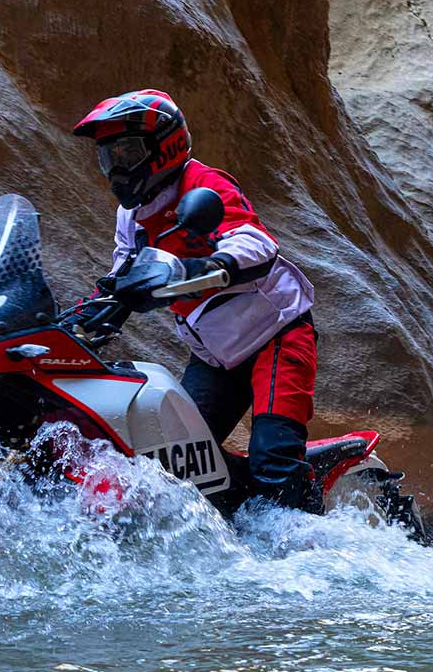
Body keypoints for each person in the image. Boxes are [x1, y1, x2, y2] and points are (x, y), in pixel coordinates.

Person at [72, 89, 323, 511]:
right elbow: (122, 273)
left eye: (128, 152)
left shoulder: (204, 185)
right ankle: (237, 517)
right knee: (175, 458)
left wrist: (203, 267)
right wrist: (80, 318)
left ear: (164, 147)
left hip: (275, 337)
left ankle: (310, 534)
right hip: (215, 357)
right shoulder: (131, 215)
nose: (117, 168)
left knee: (274, 458)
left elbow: (256, 242)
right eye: (108, 157)